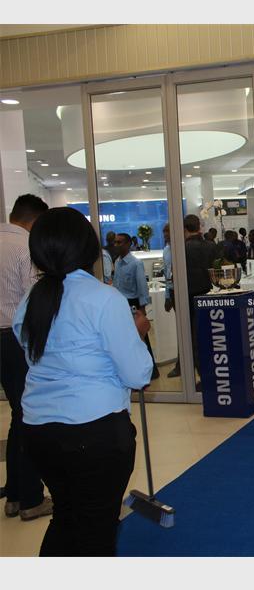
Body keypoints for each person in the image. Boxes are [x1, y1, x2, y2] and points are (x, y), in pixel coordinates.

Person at [13, 206, 152, 556]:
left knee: (66, 517)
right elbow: (137, 374)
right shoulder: (103, 299)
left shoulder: (32, 300)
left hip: (39, 429)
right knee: (96, 530)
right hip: (95, 433)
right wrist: (136, 335)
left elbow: (32, 355)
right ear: (88, 248)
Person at [1, 194, 52, 522]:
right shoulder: (26, 249)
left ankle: (15, 493)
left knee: (17, 414)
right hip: (14, 339)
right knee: (29, 414)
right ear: (35, 220)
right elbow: (34, 301)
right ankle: (31, 499)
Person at [113, 233, 159, 380]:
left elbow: (142, 287)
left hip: (133, 304)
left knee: (141, 338)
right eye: (115, 242)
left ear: (128, 244)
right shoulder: (117, 262)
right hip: (120, 304)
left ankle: (151, 371)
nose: (116, 245)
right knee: (125, 339)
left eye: (119, 242)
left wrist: (142, 309)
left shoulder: (135, 263)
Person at [184, 214, 217, 390]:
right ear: (199, 226)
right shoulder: (211, 246)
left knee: (196, 339)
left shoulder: (182, 248)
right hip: (211, 296)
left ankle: (204, 378)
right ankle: (216, 374)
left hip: (190, 297)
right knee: (213, 337)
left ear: (184, 228)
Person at [162, 224, 180, 378]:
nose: (165, 234)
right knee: (181, 329)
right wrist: (167, 296)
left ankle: (182, 364)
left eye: (167, 231)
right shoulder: (166, 250)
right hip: (173, 292)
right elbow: (167, 274)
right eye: (164, 232)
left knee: (185, 330)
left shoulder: (181, 249)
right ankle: (181, 364)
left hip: (183, 291)